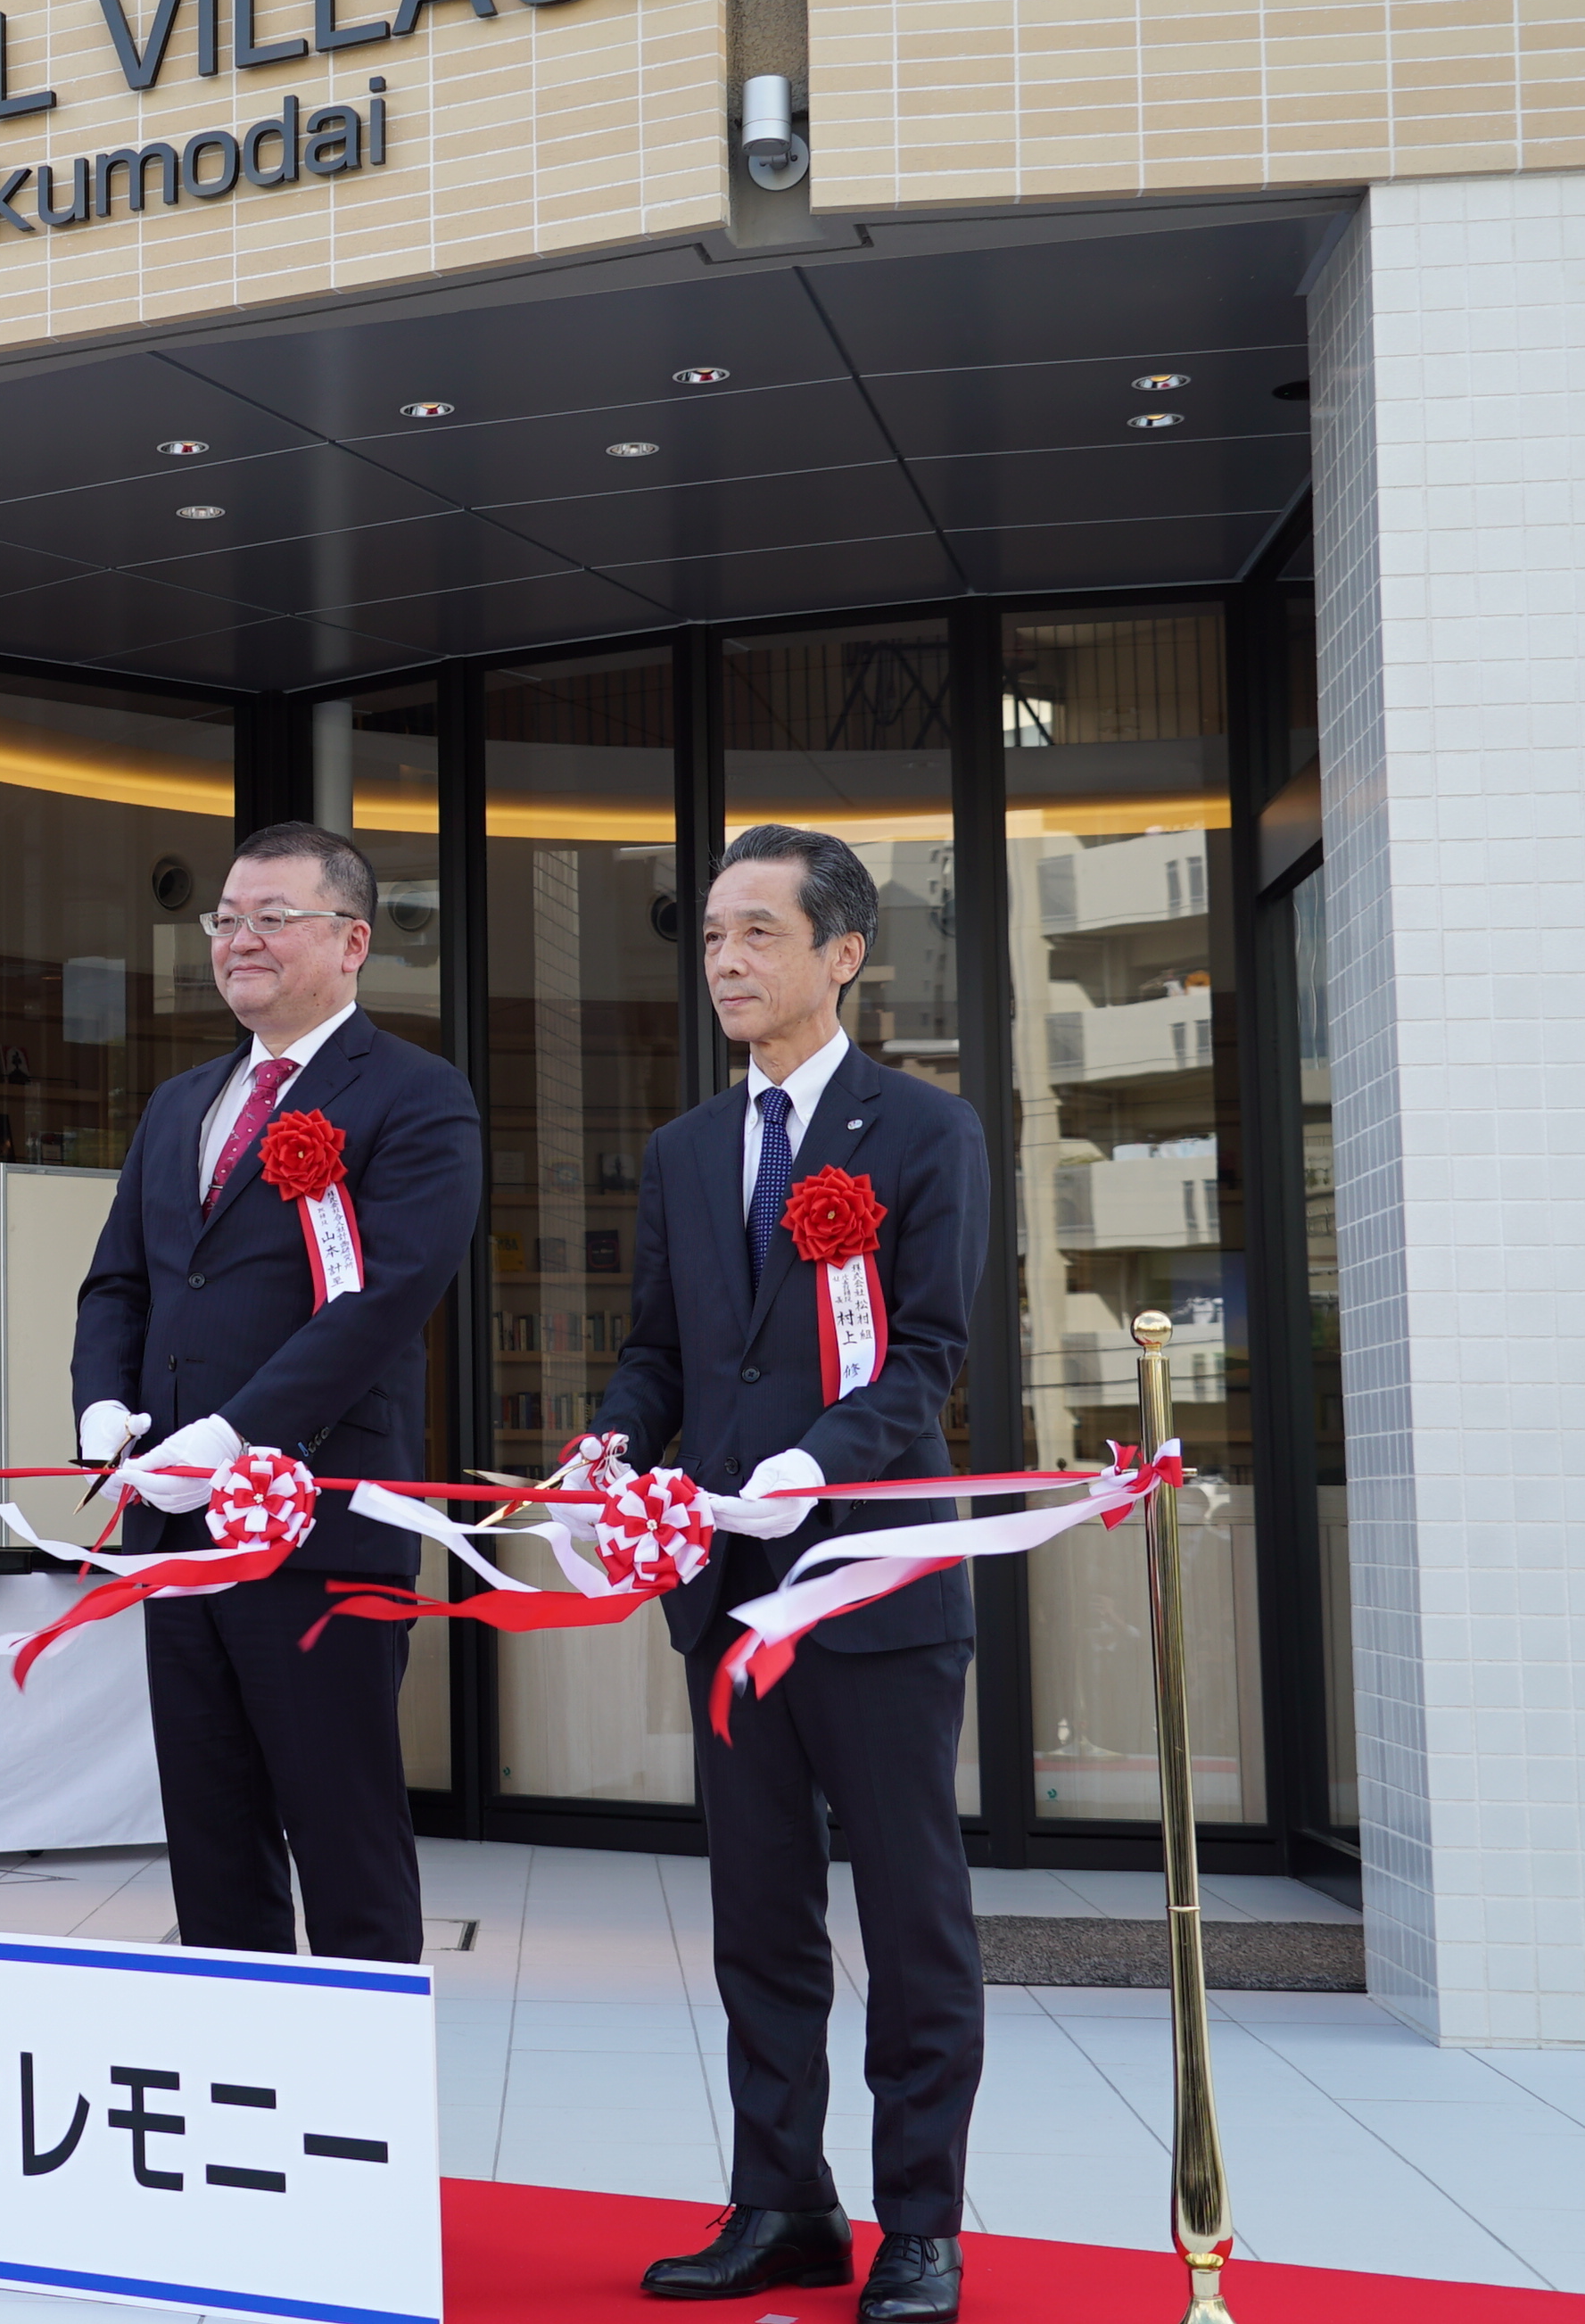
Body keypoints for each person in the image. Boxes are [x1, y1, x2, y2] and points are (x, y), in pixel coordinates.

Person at [593, 823, 988, 2320]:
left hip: (872, 1581)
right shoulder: (688, 1150)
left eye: (759, 932)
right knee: (760, 1910)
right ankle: (783, 2202)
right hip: (726, 1589)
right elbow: (658, 1353)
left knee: (908, 1911)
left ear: (843, 952)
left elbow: (936, 1352)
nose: (727, 963)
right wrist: (612, 1443)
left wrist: (820, 1459)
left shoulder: (925, 1130)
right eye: (709, 937)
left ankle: (923, 2223)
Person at [70, 821, 483, 1964]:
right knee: (211, 1847)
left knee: (344, 1843)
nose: (239, 939)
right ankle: (236, 2098)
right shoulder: (181, 1103)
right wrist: (103, 1406)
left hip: (320, 1529)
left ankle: (358, 2117)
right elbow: (119, 1283)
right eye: (225, 918)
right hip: (171, 1531)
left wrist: (232, 1432)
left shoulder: (414, 1095)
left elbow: (383, 1302)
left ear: (352, 942)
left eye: (272, 918)